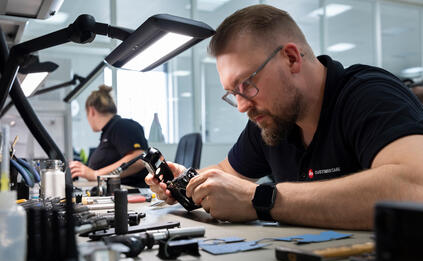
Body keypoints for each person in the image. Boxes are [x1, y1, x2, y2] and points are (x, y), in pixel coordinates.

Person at [146, 4, 423, 230]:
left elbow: (413, 187)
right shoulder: (270, 122)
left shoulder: (369, 95)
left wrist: (262, 200)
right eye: (232, 93)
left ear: (291, 58)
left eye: (246, 84)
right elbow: (225, 174)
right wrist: (186, 181)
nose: (242, 106)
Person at [69, 85, 149, 187]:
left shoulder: (122, 126)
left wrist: (95, 174)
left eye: (86, 114)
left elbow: (139, 159)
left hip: (132, 194)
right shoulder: (108, 133)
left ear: (91, 110)